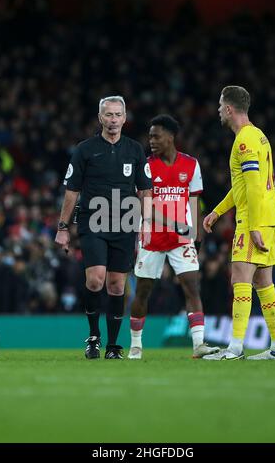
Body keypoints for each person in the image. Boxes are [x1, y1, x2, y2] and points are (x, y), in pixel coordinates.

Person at [55, 96, 152, 359]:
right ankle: (93, 337)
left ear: (124, 118)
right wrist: (63, 227)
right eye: (108, 115)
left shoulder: (134, 150)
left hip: (125, 223)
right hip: (93, 221)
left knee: (117, 285)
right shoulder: (85, 150)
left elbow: (145, 190)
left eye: (117, 115)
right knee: (95, 279)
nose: (113, 120)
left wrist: (147, 224)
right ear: (100, 118)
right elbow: (72, 191)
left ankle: (112, 345)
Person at [203, 86, 275, 360]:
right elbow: (241, 187)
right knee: (264, 282)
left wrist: (253, 227)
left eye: (220, 106)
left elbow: (252, 187)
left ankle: (235, 347)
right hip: (270, 216)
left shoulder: (244, 141)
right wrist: (216, 211)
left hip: (255, 218)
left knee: (240, 277)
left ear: (229, 109)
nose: (217, 110)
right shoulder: (258, 136)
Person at [128, 114, 220, 359]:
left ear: (170, 137)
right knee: (144, 290)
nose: (152, 141)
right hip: (152, 237)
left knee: (192, 287)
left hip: (182, 239)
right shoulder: (146, 166)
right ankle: (136, 344)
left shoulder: (191, 165)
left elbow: (194, 202)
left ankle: (199, 344)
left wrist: (196, 236)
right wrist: (174, 223)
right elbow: (145, 206)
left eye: (156, 136)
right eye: (150, 136)